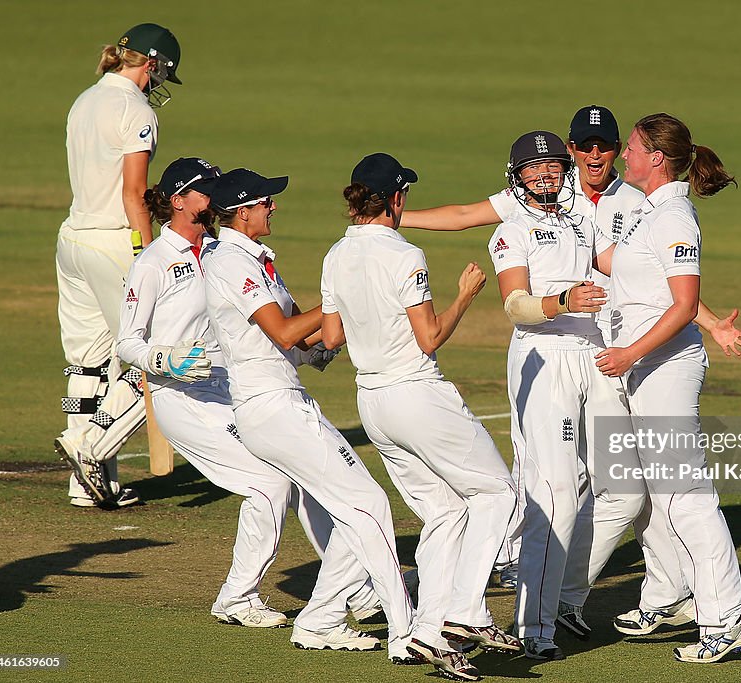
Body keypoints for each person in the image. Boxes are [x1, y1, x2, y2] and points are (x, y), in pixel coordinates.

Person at [400, 106, 741, 616]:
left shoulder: (642, 202)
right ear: (570, 149)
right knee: (549, 477)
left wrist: (710, 320)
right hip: (567, 351)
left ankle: (633, 591)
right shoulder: (547, 192)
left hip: (618, 353)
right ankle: (506, 566)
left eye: (606, 146)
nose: (594, 154)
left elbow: (655, 282)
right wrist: (390, 219)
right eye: (583, 145)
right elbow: (463, 217)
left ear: (620, 152)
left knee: (628, 486)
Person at [115, 157, 380, 642]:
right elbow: (126, 342)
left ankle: (357, 593)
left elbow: (268, 324)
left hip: (236, 388)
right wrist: (164, 359)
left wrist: (313, 352)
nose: (214, 195)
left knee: (301, 473)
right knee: (269, 484)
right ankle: (237, 597)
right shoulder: (152, 262)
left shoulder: (228, 252)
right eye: (204, 189)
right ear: (177, 201)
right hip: (184, 396)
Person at [200, 168, 416, 662]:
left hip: (283, 402)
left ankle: (320, 618)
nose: (274, 207)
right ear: (243, 210)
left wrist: (341, 330)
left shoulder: (256, 261)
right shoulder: (233, 263)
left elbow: (303, 342)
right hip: (272, 408)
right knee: (370, 505)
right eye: (266, 202)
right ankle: (406, 629)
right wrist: (341, 297)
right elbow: (282, 331)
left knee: (353, 509)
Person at [320, 153, 520, 681]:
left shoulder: (335, 254)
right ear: (395, 199)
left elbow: (334, 337)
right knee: (498, 492)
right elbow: (428, 336)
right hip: (417, 395)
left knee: (446, 512)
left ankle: (426, 631)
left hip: (372, 405)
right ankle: (466, 612)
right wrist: (464, 296)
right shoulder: (407, 256)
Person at [594, 113, 741, 663]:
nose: (623, 157)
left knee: (687, 500)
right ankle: (685, 601)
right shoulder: (651, 214)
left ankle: (726, 621)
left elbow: (682, 303)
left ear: (656, 158)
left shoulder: (673, 218)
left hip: (664, 371)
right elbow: (625, 270)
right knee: (669, 500)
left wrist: (629, 353)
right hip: (648, 370)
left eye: (633, 149)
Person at [485, 130, 645, 661]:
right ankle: (534, 628)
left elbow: (623, 266)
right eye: (534, 169)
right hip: (544, 359)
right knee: (553, 494)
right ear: (517, 177)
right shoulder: (511, 231)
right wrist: (562, 300)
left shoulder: (579, 218)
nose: (547, 175)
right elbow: (515, 306)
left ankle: (562, 602)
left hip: (592, 356)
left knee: (613, 487)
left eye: (553, 166)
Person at [55, 23, 184, 508]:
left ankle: (88, 481)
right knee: (146, 361)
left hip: (73, 239)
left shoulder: (85, 99)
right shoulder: (136, 110)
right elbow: (134, 193)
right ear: (152, 64)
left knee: (86, 365)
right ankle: (88, 449)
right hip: (114, 243)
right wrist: (150, 253)